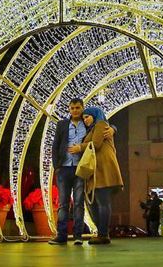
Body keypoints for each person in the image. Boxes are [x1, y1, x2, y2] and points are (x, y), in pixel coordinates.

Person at [48, 98, 115, 246]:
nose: (75, 111)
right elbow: (55, 145)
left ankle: (78, 236)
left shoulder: (89, 125)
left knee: (79, 203)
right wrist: (56, 167)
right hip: (64, 168)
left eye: (78, 108)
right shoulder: (62, 124)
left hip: (81, 169)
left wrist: (113, 128)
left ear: (82, 108)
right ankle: (61, 235)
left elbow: (102, 126)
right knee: (63, 204)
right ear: (69, 109)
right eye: (72, 108)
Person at [70, 106, 123, 245]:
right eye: (84, 118)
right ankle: (102, 233)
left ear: (94, 115)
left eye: (87, 117)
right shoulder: (94, 128)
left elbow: (97, 144)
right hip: (96, 171)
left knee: (102, 202)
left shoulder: (100, 124)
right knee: (95, 203)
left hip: (103, 170)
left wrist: (79, 147)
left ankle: (103, 234)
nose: (85, 120)